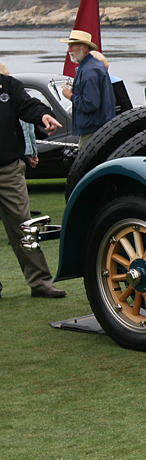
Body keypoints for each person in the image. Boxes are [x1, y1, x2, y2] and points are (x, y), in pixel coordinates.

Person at [0, 61, 65, 298]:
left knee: (24, 227)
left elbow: (30, 106)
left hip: (8, 170)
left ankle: (40, 283)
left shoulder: (9, 86)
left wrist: (44, 115)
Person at [60, 29, 115, 147]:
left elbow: (90, 104)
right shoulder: (92, 66)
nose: (69, 50)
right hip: (98, 129)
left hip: (92, 131)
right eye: (69, 46)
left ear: (84, 48)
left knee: (87, 165)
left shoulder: (89, 71)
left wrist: (70, 95)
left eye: (72, 46)